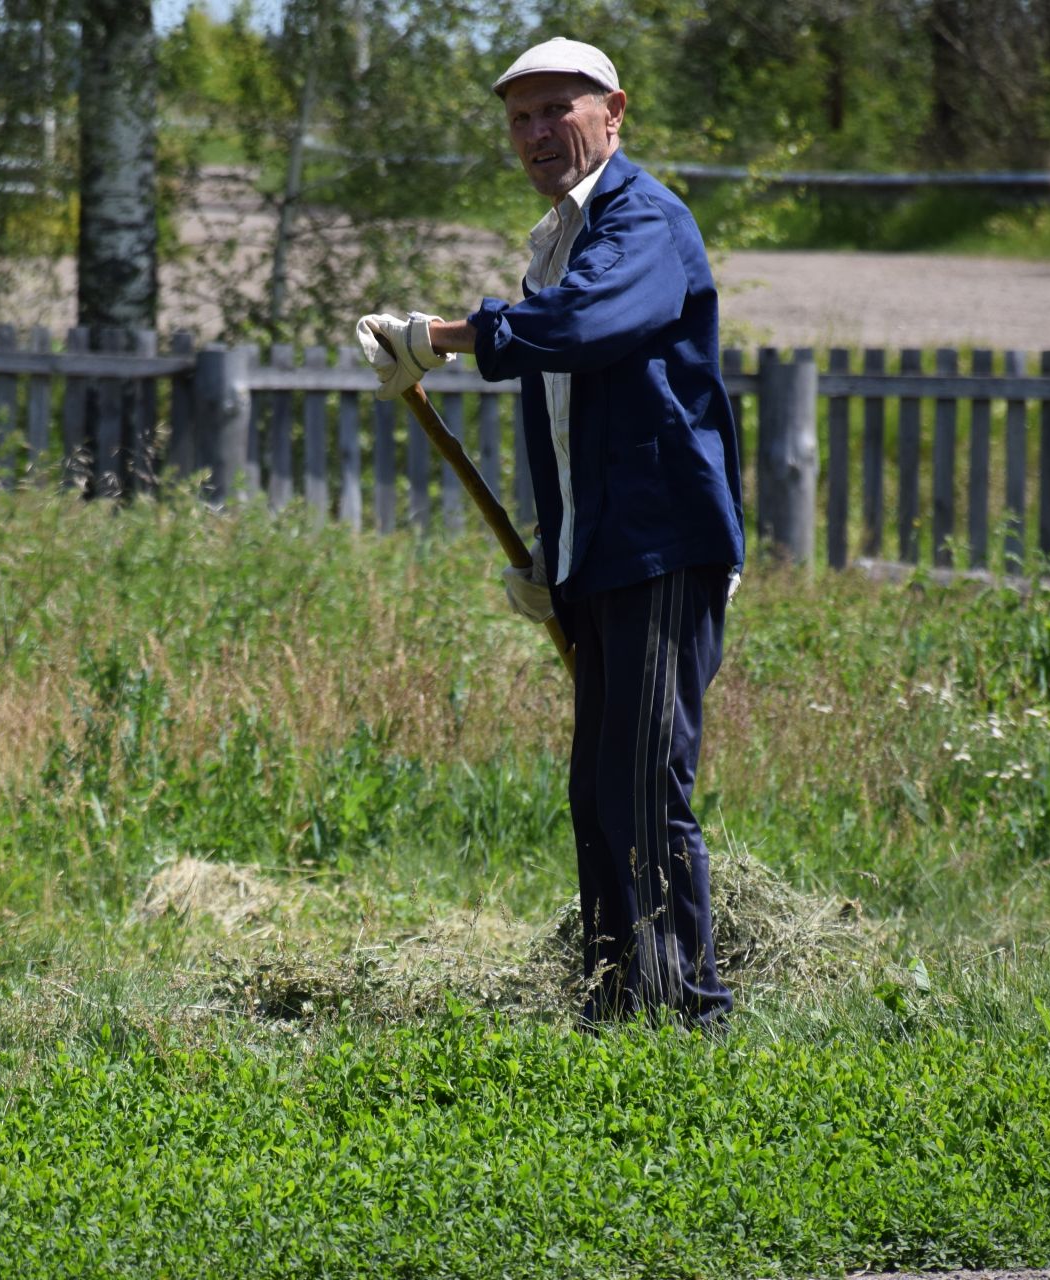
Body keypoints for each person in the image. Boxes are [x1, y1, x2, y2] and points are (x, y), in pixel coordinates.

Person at [355, 37, 744, 1027]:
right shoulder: (562, 235)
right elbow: (573, 419)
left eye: (555, 109)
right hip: (602, 549)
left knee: (646, 789)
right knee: (600, 794)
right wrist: (550, 550)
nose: (535, 133)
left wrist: (441, 336)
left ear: (614, 112)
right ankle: (616, 1005)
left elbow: (581, 329)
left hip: (662, 543)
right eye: (519, 117)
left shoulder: (643, 221)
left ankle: (685, 1019)